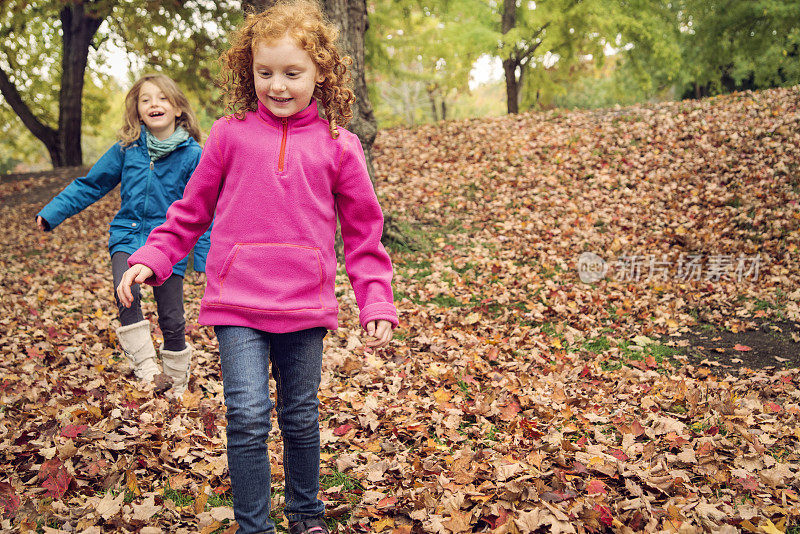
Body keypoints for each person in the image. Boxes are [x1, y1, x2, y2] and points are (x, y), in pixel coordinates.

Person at [116, 1, 398, 532]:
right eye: (264, 72)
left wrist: (375, 298)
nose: (278, 85)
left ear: (321, 72)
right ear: (249, 72)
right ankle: (254, 525)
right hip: (236, 299)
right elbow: (190, 211)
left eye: (293, 73)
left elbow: (363, 230)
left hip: (305, 303)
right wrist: (153, 257)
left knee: (300, 416)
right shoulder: (229, 133)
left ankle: (305, 514)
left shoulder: (340, 144)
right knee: (246, 416)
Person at [36, 73, 210, 396]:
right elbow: (91, 184)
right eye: (146, 99)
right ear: (138, 110)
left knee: (171, 316)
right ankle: (147, 369)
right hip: (127, 237)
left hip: (168, 244)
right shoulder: (127, 150)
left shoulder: (193, 155)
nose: (154, 104)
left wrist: (202, 258)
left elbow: (202, 209)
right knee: (126, 295)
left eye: (162, 98)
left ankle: (176, 381)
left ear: (177, 109)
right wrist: (52, 212)